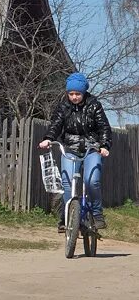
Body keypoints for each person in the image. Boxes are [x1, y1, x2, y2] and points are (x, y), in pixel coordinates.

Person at [39, 72, 111, 233]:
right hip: (70, 149)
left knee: (91, 181)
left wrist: (104, 145)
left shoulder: (94, 105)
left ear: (84, 93)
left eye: (77, 94)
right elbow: (56, 124)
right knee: (66, 183)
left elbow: (104, 127)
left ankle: (98, 215)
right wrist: (48, 138)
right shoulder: (63, 107)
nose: (74, 97)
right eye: (71, 94)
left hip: (92, 149)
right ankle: (66, 217)